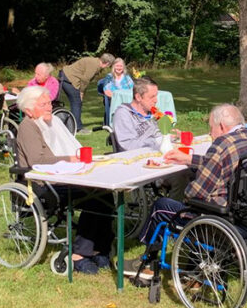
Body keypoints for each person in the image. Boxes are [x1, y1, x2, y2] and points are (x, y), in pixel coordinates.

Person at [132, 104, 247, 280]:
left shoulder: (222, 144)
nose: (210, 133)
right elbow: (224, 162)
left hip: (223, 219)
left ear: (221, 126)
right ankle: (194, 268)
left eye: (211, 128)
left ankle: (146, 263)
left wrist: (189, 184)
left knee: (160, 206)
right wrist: (190, 159)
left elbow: (195, 193)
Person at [14, 85, 111, 275]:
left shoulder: (52, 122)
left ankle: (100, 247)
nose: (49, 107)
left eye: (49, 103)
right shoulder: (28, 127)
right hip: (42, 183)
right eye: (43, 104)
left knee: (105, 192)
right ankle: (79, 254)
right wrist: (69, 159)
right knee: (94, 196)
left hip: (62, 176)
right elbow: (37, 161)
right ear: (29, 110)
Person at [59, 53, 114, 134]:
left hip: (66, 76)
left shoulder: (95, 63)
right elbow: (85, 80)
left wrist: (82, 92)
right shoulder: (94, 65)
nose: (108, 67)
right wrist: (81, 92)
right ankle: (77, 128)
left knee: (76, 103)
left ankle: (72, 125)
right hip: (69, 79)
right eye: (109, 65)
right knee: (76, 102)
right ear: (107, 63)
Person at [112, 77, 164, 151]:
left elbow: (159, 135)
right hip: (134, 156)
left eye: (156, 96)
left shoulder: (153, 113)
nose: (156, 100)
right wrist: (156, 142)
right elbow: (128, 145)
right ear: (138, 97)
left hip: (156, 152)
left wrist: (169, 138)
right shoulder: (123, 114)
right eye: (152, 97)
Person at [101, 58, 134, 125]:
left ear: (123, 67)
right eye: (117, 66)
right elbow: (106, 90)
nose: (119, 68)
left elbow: (133, 89)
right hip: (112, 99)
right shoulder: (109, 77)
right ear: (113, 67)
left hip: (126, 99)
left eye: (121, 66)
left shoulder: (127, 78)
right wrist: (115, 97)